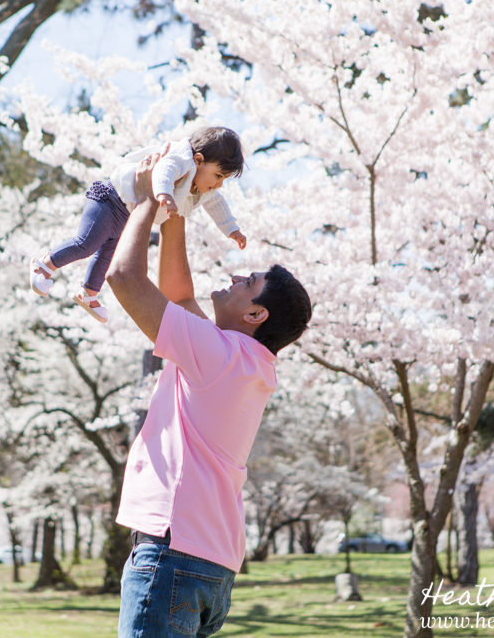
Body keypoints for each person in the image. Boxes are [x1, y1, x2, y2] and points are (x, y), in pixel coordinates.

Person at [105, 153, 312, 637]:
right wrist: (175, 206)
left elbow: (122, 278)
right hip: (210, 563)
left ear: (257, 314)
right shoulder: (245, 363)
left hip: (173, 552)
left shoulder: (219, 356)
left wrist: (144, 200)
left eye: (251, 282)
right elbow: (177, 298)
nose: (239, 277)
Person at [30, 127, 248, 323]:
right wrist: (164, 193)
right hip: (110, 199)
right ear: (198, 160)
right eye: (218, 176)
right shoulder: (182, 160)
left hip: (127, 216)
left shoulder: (202, 188)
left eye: (223, 180)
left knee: (107, 256)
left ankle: (89, 293)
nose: (218, 184)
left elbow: (218, 204)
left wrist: (232, 229)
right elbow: (165, 170)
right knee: (87, 244)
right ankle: (44, 264)